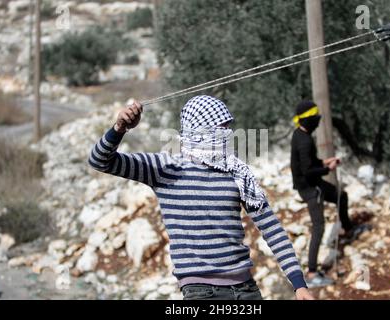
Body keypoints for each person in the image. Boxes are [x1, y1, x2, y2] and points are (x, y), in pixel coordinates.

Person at [89, 95, 313, 300]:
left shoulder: (237, 173)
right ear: (198, 131)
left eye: (228, 127)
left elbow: (272, 229)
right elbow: (100, 160)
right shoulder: (164, 168)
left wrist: (299, 284)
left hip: (246, 289)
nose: (227, 133)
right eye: (220, 127)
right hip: (201, 293)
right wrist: (119, 128)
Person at [290, 100, 361, 288]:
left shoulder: (300, 134)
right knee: (319, 227)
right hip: (311, 189)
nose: (318, 120)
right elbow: (307, 171)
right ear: (308, 120)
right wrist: (327, 169)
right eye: (315, 118)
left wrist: (323, 162)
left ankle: (347, 229)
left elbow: (310, 162)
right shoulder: (304, 141)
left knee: (341, 196)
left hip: (314, 184)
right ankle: (312, 273)